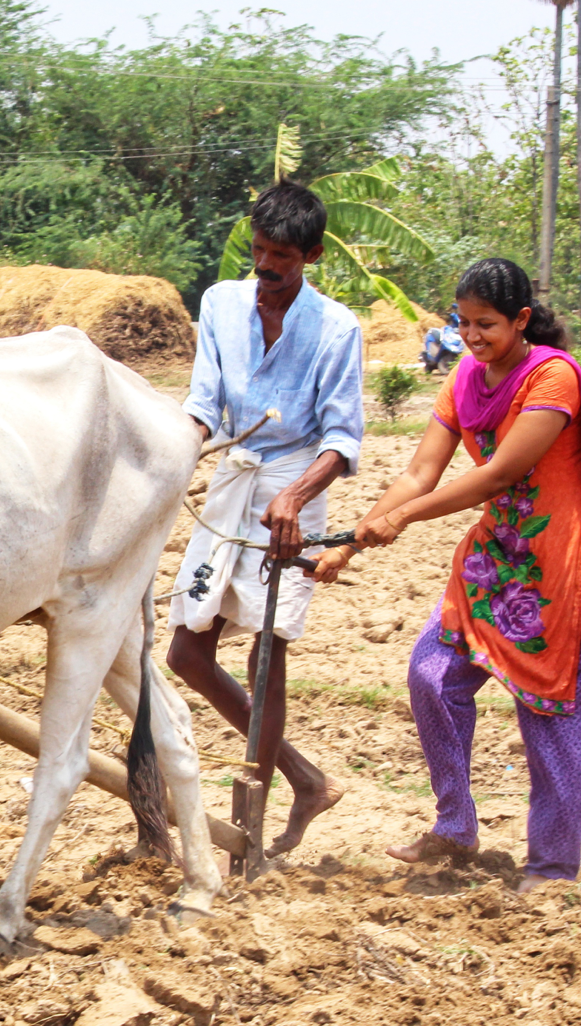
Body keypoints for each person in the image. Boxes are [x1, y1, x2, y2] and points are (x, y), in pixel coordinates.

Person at [310, 257, 581, 893]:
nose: (471, 338)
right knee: (431, 674)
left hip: (561, 567)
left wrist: (405, 520)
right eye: (462, 323)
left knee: (556, 713)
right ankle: (455, 826)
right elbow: (420, 473)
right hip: (497, 561)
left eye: (487, 325)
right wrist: (349, 546)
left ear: (522, 320)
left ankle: (551, 867)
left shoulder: (551, 378)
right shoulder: (464, 379)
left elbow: (497, 476)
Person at [168, 181, 361, 858]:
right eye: (258, 251)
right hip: (232, 475)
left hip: (292, 488)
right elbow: (203, 400)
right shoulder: (220, 304)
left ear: (309, 255)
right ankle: (305, 777)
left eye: (281, 255)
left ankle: (247, 823)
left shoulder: (338, 328)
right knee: (186, 653)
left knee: (266, 655)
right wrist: (174, 460)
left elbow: (344, 439)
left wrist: (296, 497)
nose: (266, 268)